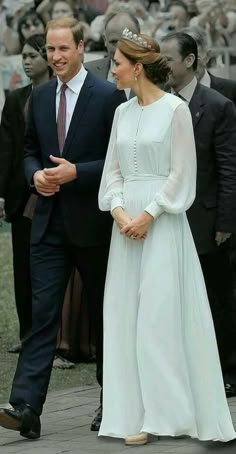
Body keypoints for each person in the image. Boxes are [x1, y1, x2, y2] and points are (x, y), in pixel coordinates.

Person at [98, 27, 236, 446]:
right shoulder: (122, 113)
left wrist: (148, 215)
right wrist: (121, 212)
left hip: (162, 224)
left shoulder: (175, 109)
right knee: (125, 318)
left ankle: (165, 414)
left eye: (117, 64)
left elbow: (181, 175)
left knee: (159, 319)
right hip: (125, 230)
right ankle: (131, 413)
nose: (112, 71)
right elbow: (113, 172)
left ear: (137, 67)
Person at [0, 17, 125, 440]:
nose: (54, 57)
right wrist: (34, 175)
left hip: (95, 226)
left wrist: (78, 173)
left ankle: (114, 405)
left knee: (106, 319)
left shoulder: (108, 96)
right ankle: (25, 406)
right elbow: (29, 152)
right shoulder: (36, 98)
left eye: (62, 49)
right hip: (48, 226)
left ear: (80, 47)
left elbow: (119, 161)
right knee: (41, 318)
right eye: (49, 50)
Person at [160, 31, 236, 398]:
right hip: (170, 219)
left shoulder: (217, 105)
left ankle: (225, 370)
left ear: (189, 61)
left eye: (169, 60)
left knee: (216, 298)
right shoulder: (160, 104)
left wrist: (225, 222)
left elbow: (228, 169)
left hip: (206, 222)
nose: (163, 66)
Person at [0, 34, 52, 353]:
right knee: (22, 267)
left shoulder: (61, 96)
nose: (27, 61)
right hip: (21, 197)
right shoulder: (16, 99)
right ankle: (27, 332)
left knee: (49, 268)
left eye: (33, 55)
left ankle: (52, 336)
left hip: (54, 192)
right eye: (24, 55)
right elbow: (6, 150)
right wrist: (3, 194)